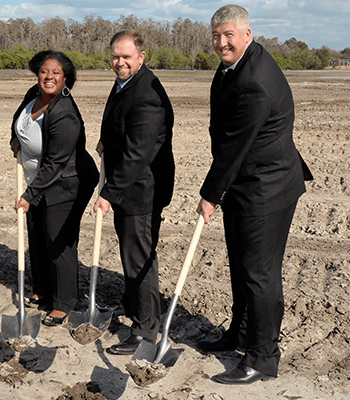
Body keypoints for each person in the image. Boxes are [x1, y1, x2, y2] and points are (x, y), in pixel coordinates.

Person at [196, 4, 308, 385]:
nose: (222, 43)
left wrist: (210, 194)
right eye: (216, 36)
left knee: (259, 273)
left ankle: (262, 358)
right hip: (247, 184)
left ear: (247, 33)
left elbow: (233, 146)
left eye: (229, 35)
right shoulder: (237, 64)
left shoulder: (255, 80)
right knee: (241, 265)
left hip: (266, 187)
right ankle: (240, 334)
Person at [94, 30, 175, 354]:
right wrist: (106, 140)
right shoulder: (126, 83)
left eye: (126, 57)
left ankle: (145, 331)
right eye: (116, 56)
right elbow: (119, 124)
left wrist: (109, 193)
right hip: (130, 186)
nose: (120, 62)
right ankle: (138, 309)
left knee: (139, 258)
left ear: (141, 57)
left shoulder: (147, 95)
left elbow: (137, 153)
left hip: (141, 190)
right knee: (134, 255)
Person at [11, 50, 99, 326]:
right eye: (44, 72)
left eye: (56, 73)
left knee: (57, 239)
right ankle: (44, 289)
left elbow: (55, 163)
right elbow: (20, 120)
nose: (48, 77)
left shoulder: (65, 114)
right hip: (38, 179)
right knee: (37, 235)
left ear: (66, 79)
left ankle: (64, 301)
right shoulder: (33, 95)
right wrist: (15, 139)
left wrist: (29, 196)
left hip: (66, 182)